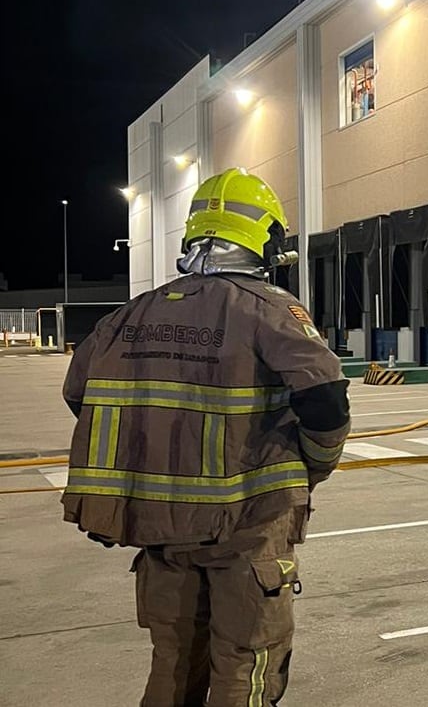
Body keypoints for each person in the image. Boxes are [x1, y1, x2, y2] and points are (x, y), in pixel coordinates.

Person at [61, 167, 350, 707]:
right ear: (265, 237)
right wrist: (313, 466)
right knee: (247, 664)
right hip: (248, 524)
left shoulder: (132, 314)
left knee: (172, 665)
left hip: (161, 529)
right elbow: (326, 399)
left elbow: (81, 394)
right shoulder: (269, 309)